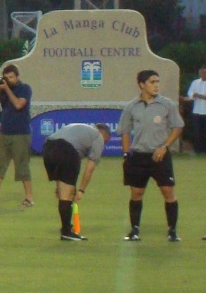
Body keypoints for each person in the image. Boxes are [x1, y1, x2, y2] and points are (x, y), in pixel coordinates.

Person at [116, 70, 183, 242]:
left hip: (159, 156)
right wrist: (126, 154)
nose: (156, 85)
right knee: (136, 192)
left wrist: (165, 146)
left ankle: (172, 231)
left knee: (168, 191)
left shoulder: (166, 105)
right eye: (152, 82)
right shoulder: (132, 106)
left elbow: (177, 127)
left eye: (157, 82)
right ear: (142, 84)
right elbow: (124, 131)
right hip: (139, 156)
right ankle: (135, 230)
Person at [43, 122, 112, 242]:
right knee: (67, 195)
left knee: (65, 192)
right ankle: (66, 232)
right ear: (104, 134)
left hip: (48, 147)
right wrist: (81, 190)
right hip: (66, 150)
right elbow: (89, 169)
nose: (103, 145)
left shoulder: (80, 130)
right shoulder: (98, 136)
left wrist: (59, 184)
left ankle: (66, 228)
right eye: (105, 142)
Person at [0, 65, 32, 206]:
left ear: (17, 76)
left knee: (22, 166)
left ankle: (29, 198)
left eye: (11, 77)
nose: (9, 80)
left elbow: (18, 104)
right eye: (7, 77)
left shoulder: (24, 88)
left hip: (21, 133)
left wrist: (6, 89)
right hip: (4, 132)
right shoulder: (3, 89)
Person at [182, 65, 206, 154]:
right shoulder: (195, 82)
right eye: (202, 73)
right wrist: (193, 96)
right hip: (197, 111)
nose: (204, 74)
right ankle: (198, 151)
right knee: (197, 132)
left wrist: (199, 95)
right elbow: (190, 93)